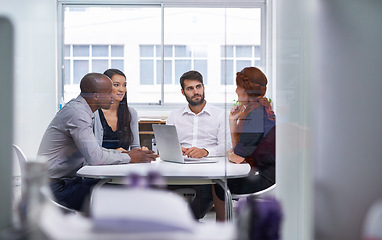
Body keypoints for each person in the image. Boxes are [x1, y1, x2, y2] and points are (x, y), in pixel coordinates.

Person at [37, 73, 157, 211]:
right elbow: (95, 158)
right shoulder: (78, 114)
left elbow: (94, 150)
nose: (112, 96)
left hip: (64, 181)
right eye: (108, 93)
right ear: (95, 96)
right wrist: (129, 157)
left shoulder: (82, 110)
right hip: (55, 189)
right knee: (124, 196)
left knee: (123, 188)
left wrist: (127, 154)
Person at [166, 70, 231, 219]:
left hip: (207, 173)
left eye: (198, 87)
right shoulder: (174, 116)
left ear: (203, 87)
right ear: (183, 92)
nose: (196, 92)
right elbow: (165, 147)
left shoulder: (220, 114)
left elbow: (226, 146)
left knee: (207, 194)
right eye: (190, 88)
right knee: (155, 187)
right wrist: (176, 149)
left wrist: (205, 151)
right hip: (178, 171)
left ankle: (185, 222)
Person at [214, 66, 276, 221]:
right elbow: (239, 151)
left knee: (217, 185)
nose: (236, 91)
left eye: (238, 87)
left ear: (245, 90)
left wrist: (229, 154)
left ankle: (221, 230)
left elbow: (237, 157)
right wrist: (232, 122)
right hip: (266, 172)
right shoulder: (259, 109)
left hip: (265, 178)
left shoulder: (255, 115)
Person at [93, 69, 144, 151]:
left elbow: (135, 147)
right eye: (116, 85)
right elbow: (90, 151)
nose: (121, 89)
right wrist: (115, 153)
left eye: (124, 85)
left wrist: (141, 151)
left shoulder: (131, 113)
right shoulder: (93, 114)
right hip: (100, 163)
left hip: (123, 163)